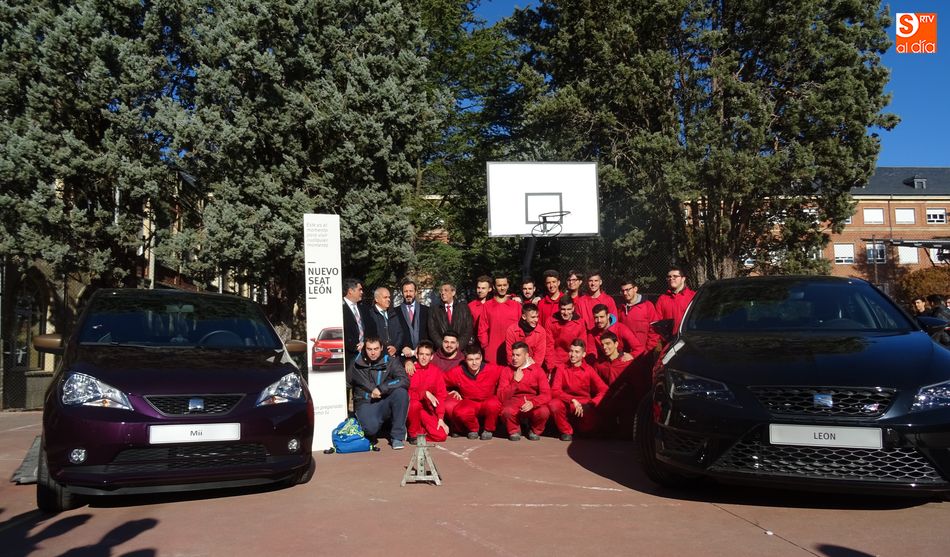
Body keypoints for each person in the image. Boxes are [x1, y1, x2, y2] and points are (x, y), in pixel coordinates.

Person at [347, 337, 410, 449]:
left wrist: (382, 388)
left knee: (401, 393)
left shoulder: (391, 361)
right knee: (370, 429)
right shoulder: (355, 363)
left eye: (376, 349)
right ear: (364, 348)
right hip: (365, 402)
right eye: (369, 349)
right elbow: (346, 384)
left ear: (381, 348)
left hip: (384, 399)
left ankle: (397, 437)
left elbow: (404, 379)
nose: (373, 353)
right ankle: (363, 423)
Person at [549, 340, 607, 441]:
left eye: (577, 352)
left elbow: (604, 390)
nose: (572, 355)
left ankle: (585, 430)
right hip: (567, 403)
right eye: (571, 351)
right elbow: (555, 390)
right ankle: (566, 431)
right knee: (554, 404)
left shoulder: (589, 370)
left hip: (584, 405)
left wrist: (591, 403)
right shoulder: (561, 368)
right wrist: (571, 400)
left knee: (587, 430)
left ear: (583, 354)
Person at [444, 345, 504, 440]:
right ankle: (473, 429)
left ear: (481, 358)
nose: (474, 363)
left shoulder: (492, 369)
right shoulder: (457, 372)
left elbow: (508, 373)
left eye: (477, 359)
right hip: (469, 401)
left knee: (494, 404)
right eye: (470, 360)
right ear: (465, 360)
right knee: (461, 411)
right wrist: (451, 390)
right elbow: (439, 382)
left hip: (488, 400)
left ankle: (488, 429)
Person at [498, 342, 551, 441]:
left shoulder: (537, 370)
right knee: (506, 411)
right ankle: (514, 430)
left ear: (526, 355)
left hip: (532, 402)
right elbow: (501, 396)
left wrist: (533, 403)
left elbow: (546, 394)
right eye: (513, 355)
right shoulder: (507, 370)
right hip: (513, 403)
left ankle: (535, 430)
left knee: (544, 411)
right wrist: (515, 382)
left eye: (518, 355)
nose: (514, 358)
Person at [593, 332, 642, 437]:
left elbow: (637, 385)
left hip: (625, 403)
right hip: (607, 402)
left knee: (626, 435)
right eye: (602, 344)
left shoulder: (627, 362)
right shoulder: (599, 365)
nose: (605, 347)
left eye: (608, 344)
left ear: (616, 344)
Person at [406, 341, 449, 443]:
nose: (424, 357)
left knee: (441, 436)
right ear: (417, 355)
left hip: (427, 409)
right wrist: (424, 393)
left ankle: (421, 432)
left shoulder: (436, 371)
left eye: (427, 354)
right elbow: (405, 394)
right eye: (421, 354)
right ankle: (413, 434)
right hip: (411, 409)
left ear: (431, 357)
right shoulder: (410, 370)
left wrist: (440, 418)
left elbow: (441, 395)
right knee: (414, 405)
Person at [477, 276, 523, 364]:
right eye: (499, 285)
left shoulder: (516, 306)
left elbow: (522, 329)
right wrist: (486, 346)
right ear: (494, 287)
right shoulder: (487, 306)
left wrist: (520, 348)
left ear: (508, 285)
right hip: (492, 353)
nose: (502, 288)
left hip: (513, 352)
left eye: (504, 285)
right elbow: (482, 329)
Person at [545, 296, 587, 372]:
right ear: (559, 308)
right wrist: (550, 367)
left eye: (569, 309)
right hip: (556, 362)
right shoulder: (550, 321)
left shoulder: (580, 323)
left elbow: (581, 347)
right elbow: (549, 346)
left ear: (573, 308)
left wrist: (578, 366)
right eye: (563, 309)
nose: (566, 313)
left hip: (573, 361)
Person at [617, 277, 660, 354]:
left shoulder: (648, 306)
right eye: (622, 291)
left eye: (627, 290)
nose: (625, 293)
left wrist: (648, 349)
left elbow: (654, 329)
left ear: (635, 289)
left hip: (644, 353)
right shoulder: (620, 308)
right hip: (626, 353)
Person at [342, 278, 377, 370]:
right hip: (348, 356)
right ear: (350, 291)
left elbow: (372, 329)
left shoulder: (364, 308)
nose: (362, 292)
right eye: (359, 290)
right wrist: (355, 346)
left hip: (365, 354)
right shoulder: (339, 308)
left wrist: (365, 343)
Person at [428, 282, 474, 350]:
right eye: (441, 291)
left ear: (453, 292)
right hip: (441, 350)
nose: (443, 293)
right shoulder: (434, 310)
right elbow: (432, 331)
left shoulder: (464, 308)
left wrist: (459, 345)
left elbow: (468, 329)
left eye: (446, 290)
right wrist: (443, 346)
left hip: (460, 350)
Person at [655, 265, 695, 334]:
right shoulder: (662, 299)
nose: (671, 278)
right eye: (669, 277)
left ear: (683, 279)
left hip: (688, 337)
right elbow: (657, 322)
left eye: (675, 276)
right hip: (668, 339)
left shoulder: (693, 297)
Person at [397, 278, 429, 360]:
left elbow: (428, 332)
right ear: (402, 293)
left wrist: (422, 346)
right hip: (404, 355)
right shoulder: (395, 312)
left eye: (411, 291)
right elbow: (395, 334)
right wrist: (403, 347)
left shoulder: (426, 310)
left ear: (415, 292)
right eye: (405, 291)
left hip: (423, 353)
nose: (408, 294)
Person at [369, 286, 403, 358]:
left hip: (394, 355)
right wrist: (382, 349)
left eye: (389, 297)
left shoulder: (394, 314)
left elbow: (400, 333)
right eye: (385, 297)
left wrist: (395, 347)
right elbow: (370, 336)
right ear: (376, 299)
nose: (388, 299)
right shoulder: (370, 315)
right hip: (378, 356)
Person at [468, 275, 493, 340]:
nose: (480, 291)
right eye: (478, 288)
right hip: (476, 341)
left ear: (489, 289)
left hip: (492, 339)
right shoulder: (470, 306)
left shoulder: (494, 304)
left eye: (483, 288)